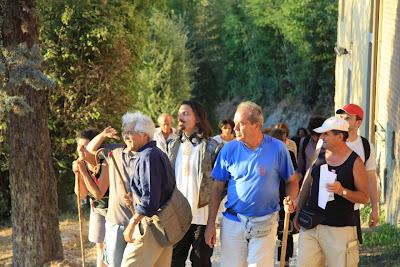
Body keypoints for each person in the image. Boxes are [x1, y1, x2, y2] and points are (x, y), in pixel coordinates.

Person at [205, 101, 298, 267]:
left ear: (257, 125)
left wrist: (291, 199)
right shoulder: (228, 150)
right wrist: (210, 223)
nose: (235, 128)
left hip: (266, 221)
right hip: (234, 221)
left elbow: (291, 181)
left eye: (241, 124)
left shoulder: (278, 149)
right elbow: (217, 187)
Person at [295, 117, 369, 267]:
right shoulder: (319, 152)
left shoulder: (355, 162)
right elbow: (308, 182)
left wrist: (343, 191)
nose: (321, 137)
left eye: (326, 134)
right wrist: (297, 211)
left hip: (339, 230)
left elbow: (364, 197)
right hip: (311, 226)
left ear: (340, 136)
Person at [167, 100, 222, 267]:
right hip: (177, 217)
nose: (180, 117)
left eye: (186, 113)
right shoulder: (172, 145)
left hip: (202, 219)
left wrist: (212, 223)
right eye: (179, 114)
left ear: (198, 118)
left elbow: (219, 187)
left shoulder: (213, 147)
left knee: (201, 263)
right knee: (173, 263)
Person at [119, 111, 176, 266]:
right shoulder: (156, 154)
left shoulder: (148, 156)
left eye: (129, 132)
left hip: (151, 226)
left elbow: (150, 202)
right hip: (164, 225)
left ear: (145, 135)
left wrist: (132, 224)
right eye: (124, 132)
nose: (125, 136)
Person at [86, 116, 139, 267]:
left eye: (132, 131)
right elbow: (90, 151)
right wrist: (103, 135)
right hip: (116, 220)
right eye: (125, 131)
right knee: (115, 263)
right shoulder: (115, 150)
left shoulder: (147, 153)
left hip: (140, 219)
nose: (127, 135)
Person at [336, 104, 380, 231]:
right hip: (326, 208)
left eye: (348, 118)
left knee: (349, 249)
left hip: (351, 209)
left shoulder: (366, 147)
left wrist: (375, 209)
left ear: (358, 123)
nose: (343, 120)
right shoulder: (331, 140)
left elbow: (371, 179)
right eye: (341, 117)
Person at [73, 129, 109, 267]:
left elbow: (99, 193)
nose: (81, 150)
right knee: (100, 248)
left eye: (85, 146)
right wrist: (78, 173)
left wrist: (83, 171)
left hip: (114, 210)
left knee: (111, 249)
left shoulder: (105, 161)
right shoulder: (82, 164)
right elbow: (81, 194)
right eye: (79, 146)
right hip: (97, 209)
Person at [269, 128, 299, 267]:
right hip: (271, 196)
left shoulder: (290, 154)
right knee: (271, 230)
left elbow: (294, 176)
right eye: (283, 139)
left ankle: (284, 260)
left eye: (285, 139)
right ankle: (270, 260)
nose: (285, 141)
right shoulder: (266, 154)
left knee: (285, 229)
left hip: (284, 195)